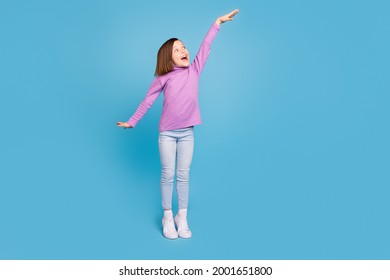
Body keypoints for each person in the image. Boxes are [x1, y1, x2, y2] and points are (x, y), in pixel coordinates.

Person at [117, 9, 239, 239]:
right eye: (177, 49)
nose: (183, 50)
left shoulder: (194, 70)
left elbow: (205, 47)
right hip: (167, 134)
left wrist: (217, 23)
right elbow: (147, 100)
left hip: (187, 134)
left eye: (184, 46)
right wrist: (132, 122)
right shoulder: (163, 78)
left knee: (183, 174)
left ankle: (181, 217)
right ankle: (167, 215)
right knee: (168, 174)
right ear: (168, 57)